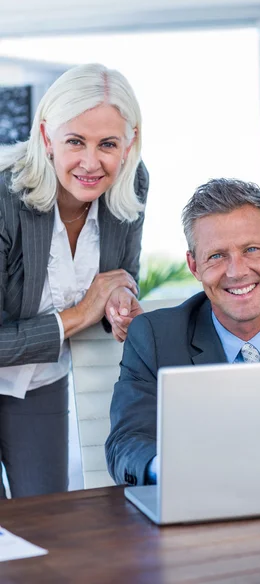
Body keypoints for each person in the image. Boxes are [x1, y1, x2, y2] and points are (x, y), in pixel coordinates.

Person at [106, 178, 260, 487]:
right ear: (194, 266)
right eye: (216, 255)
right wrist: (175, 469)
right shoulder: (154, 337)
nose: (236, 271)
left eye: (251, 249)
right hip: (199, 507)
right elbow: (126, 444)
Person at [0, 63, 149, 498]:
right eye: (74, 142)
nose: (90, 162)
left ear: (130, 142)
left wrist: (119, 301)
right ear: (46, 137)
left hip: (42, 381)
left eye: (107, 144)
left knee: (48, 518)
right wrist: (82, 312)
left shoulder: (132, 182)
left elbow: (122, 274)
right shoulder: (3, 197)